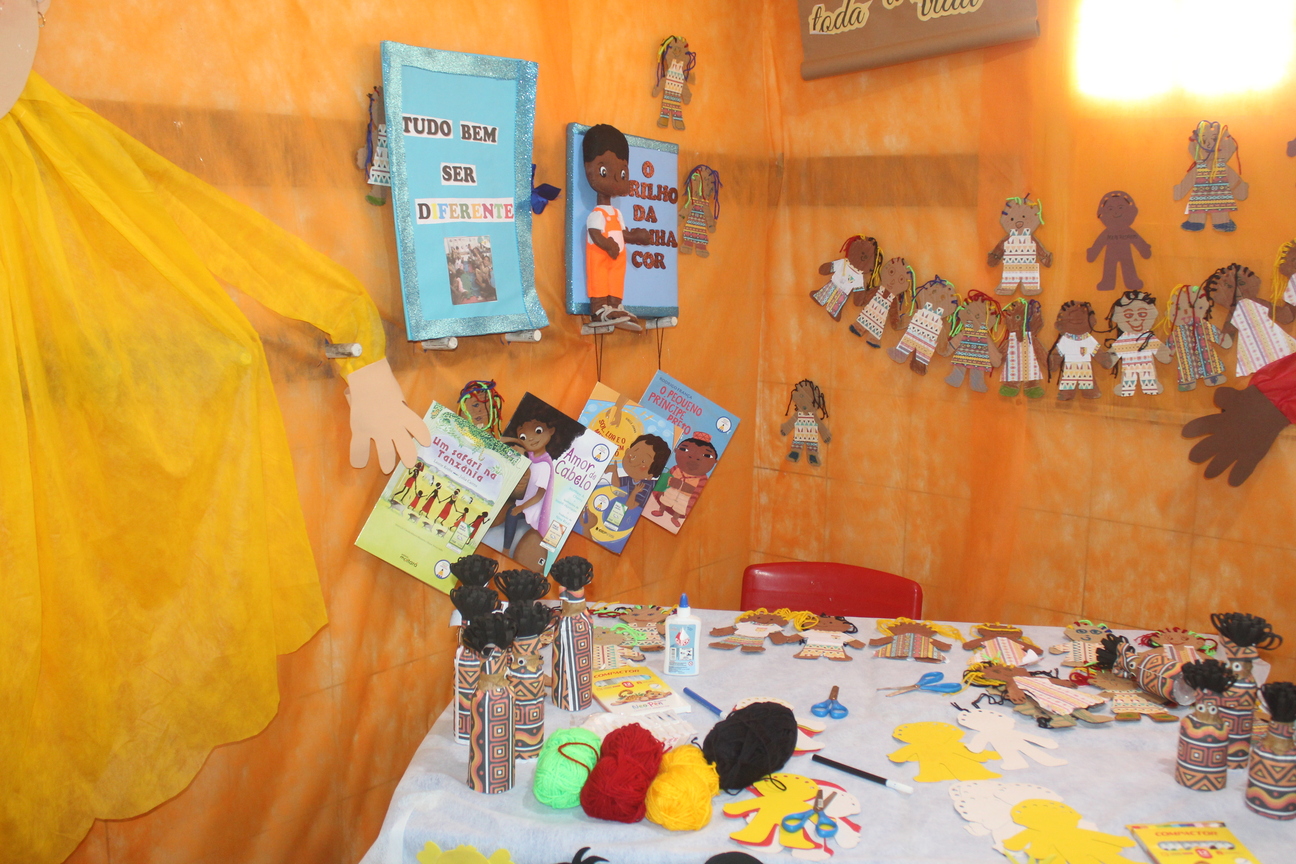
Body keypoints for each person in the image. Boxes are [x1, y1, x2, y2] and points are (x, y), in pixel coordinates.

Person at [582, 124, 651, 330]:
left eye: (622, 174)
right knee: (599, 279)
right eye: (605, 171)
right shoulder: (597, 213)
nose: (615, 179)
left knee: (615, 280)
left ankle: (615, 306)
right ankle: (599, 309)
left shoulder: (617, 213)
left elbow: (622, 233)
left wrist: (636, 236)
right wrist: (608, 245)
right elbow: (595, 233)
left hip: (617, 258)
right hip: (601, 256)